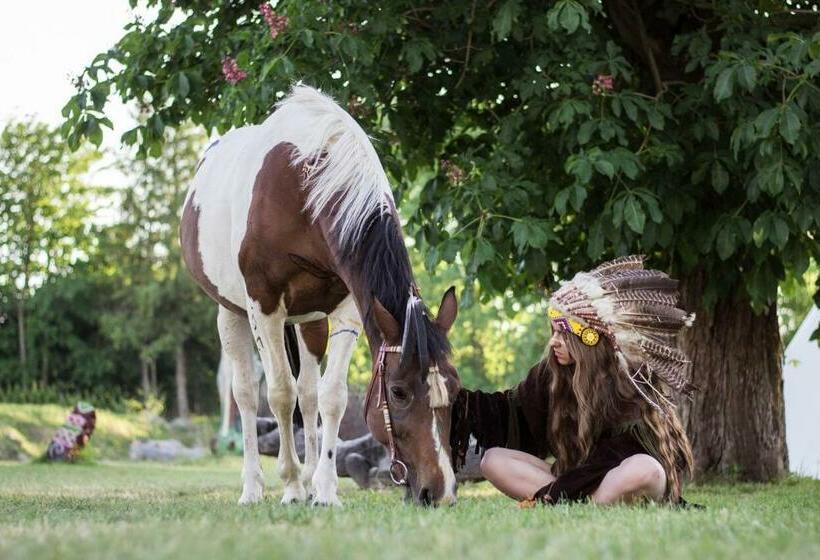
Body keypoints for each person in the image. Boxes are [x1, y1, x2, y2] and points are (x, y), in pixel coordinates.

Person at [451, 255, 697, 505]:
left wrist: (561, 489)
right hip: (572, 480)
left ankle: (564, 500)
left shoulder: (630, 378)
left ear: (588, 337)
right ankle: (585, 502)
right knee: (492, 460)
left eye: (562, 332)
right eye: (553, 331)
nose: (553, 341)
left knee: (646, 469)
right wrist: (456, 401)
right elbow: (510, 413)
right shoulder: (552, 373)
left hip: (620, 479)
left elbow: (614, 457)